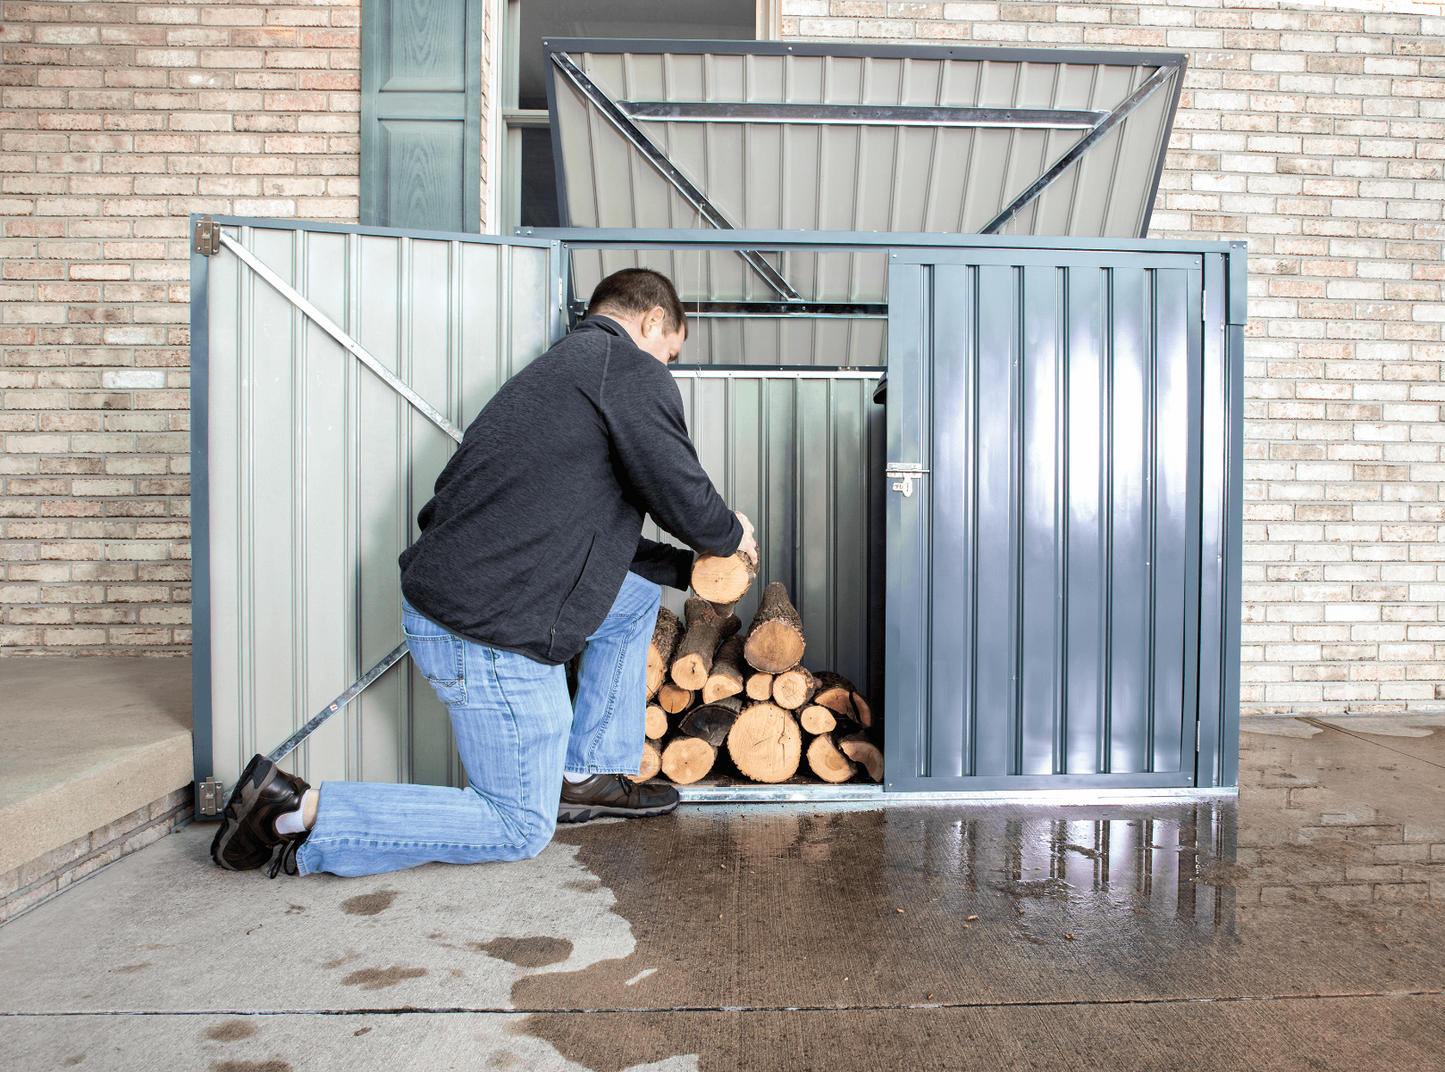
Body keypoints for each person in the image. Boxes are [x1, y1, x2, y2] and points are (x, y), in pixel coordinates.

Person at [210, 268, 759, 879]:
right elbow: (683, 495)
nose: (667, 368)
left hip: (473, 595)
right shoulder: (626, 367)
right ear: (653, 321)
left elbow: (582, 535)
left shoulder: (559, 376)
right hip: (490, 629)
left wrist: (685, 568)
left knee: (630, 602)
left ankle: (586, 775)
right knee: (518, 825)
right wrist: (730, 536)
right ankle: (298, 810)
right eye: (670, 353)